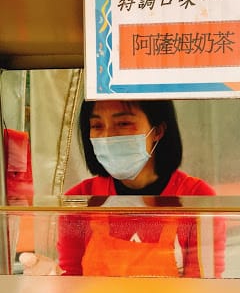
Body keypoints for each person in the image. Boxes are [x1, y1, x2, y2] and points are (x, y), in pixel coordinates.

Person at [21, 99, 224, 278]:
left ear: (158, 131)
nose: (107, 136)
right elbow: (72, 277)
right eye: (97, 125)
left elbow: (204, 287)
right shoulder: (80, 199)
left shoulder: (197, 197)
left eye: (124, 123)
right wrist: (53, 279)